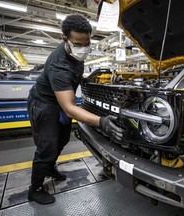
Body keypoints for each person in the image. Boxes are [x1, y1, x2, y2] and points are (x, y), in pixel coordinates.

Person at [27, 14, 123, 205]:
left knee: (61, 140)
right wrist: (101, 122)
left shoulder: (75, 53)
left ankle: (49, 167)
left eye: (87, 43)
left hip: (57, 102)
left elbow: (75, 78)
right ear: (65, 40)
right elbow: (70, 108)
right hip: (44, 104)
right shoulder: (59, 65)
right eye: (78, 44)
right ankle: (35, 189)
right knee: (47, 147)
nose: (83, 48)